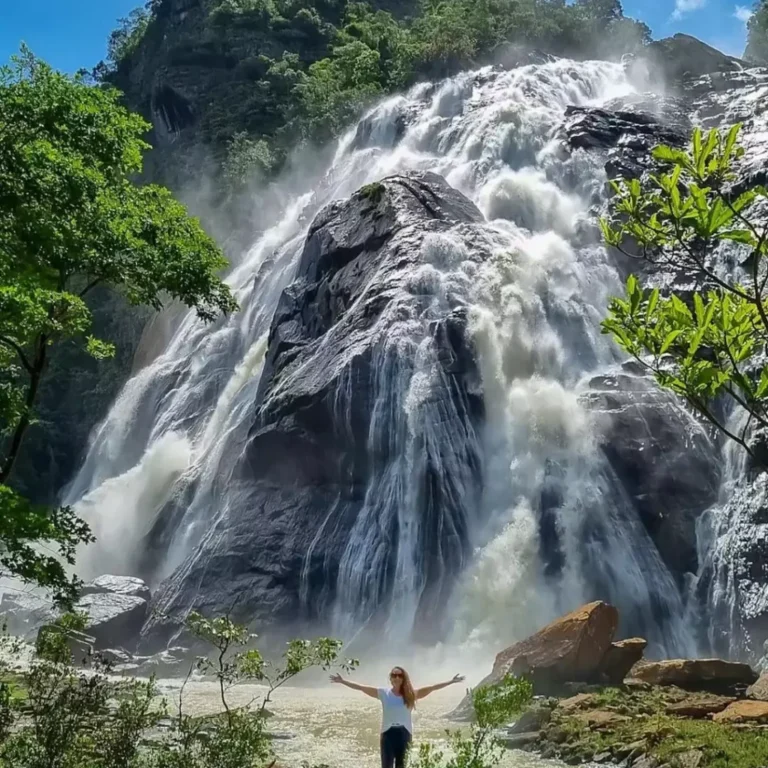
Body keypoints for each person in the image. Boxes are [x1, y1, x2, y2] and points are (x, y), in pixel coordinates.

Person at [330, 667, 466, 768]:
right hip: (387, 735)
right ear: (390, 678)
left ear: (403, 678)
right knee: (386, 765)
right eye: (393, 675)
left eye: (399, 675)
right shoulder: (383, 693)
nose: (396, 678)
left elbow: (432, 688)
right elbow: (361, 687)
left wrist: (451, 681)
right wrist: (342, 681)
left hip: (404, 734)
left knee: (402, 766)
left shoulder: (411, 694)